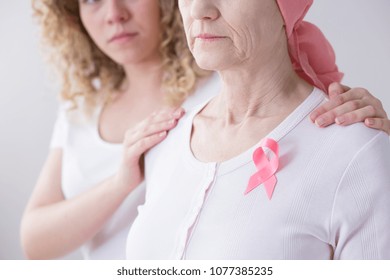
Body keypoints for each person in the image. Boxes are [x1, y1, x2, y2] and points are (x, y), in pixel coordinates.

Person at [21, 0, 389, 260]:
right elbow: (34, 239)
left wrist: (370, 148)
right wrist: (123, 180)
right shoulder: (169, 133)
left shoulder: (353, 147)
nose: (199, 10)